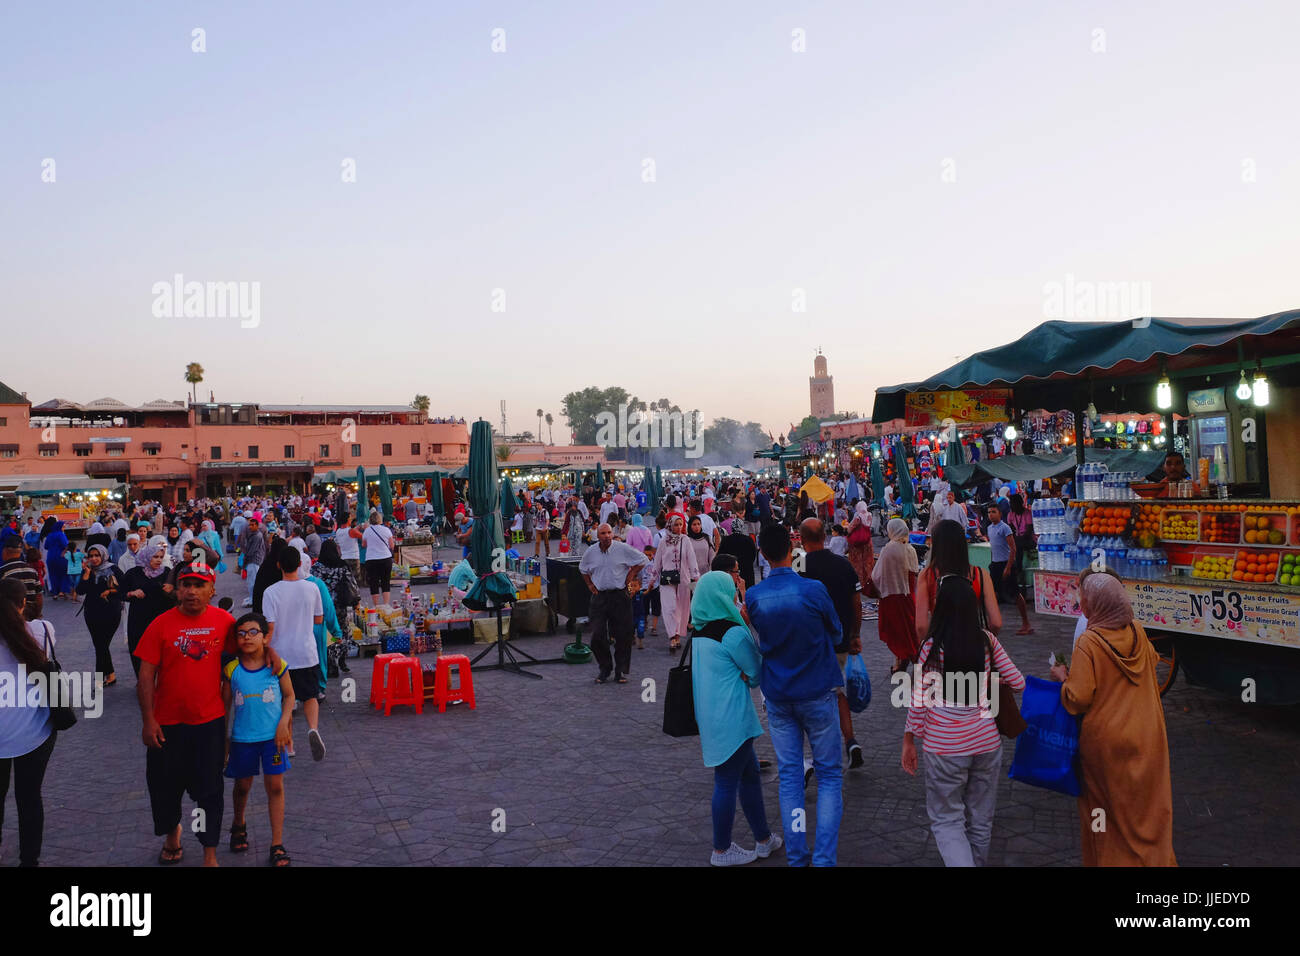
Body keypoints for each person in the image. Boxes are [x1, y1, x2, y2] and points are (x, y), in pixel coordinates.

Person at [1050, 572, 1176, 866]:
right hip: (1148, 735)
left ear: (1094, 606)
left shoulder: (1089, 642)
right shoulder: (1138, 631)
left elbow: (1078, 698)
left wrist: (1062, 678)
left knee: (1104, 812)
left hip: (1106, 745)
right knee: (1146, 809)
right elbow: (1152, 662)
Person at [902, 574, 1024, 867]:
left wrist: (909, 740)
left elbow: (919, 701)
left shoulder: (933, 647)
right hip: (986, 741)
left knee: (947, 820)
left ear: (940, 606)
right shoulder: (987, 641)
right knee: (981, 819)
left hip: (944, 746)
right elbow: (1018, 682)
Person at [745, 524, 844, 867]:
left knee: (790, 778)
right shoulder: (813, 590)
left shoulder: (754, 596)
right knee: (830, 776)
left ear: (762, 553)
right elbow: (836, 631)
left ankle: (798, 854)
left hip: (779, 693)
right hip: (816, 690)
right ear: (793, 548)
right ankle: (824, 857)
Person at [135, 560, 236, 866]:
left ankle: (209, 850)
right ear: (177, 590)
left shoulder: (225, 623)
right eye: (186, 585)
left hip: (209, 723)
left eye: (199, 585)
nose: (192, 591)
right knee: (165, 788)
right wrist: (148, 720)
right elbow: (145, 676)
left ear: (212, 590)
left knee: (209, 792)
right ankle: (172, 835)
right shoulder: (160, 624)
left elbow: (242, 663)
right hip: (167, 724)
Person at [689, 570, 782, 866]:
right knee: (728, 780)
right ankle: (721, 849)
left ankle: (763, 839)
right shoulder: (732, 631)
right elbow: (755, 672)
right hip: (732, 716)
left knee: (750, 774)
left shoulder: (700, 630)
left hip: (712, 714)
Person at [223, 612, 294, 866]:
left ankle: (277, 843)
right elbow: (225, 707)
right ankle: (238, 823)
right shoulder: (232, 670)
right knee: (242, 786)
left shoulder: (277, 665)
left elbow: (289, 696)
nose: (247, 637)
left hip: (272, 740)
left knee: (275, 787)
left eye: (254, 632)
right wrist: (225, 741)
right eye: (241, 633)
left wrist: (284, 723)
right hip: (243, 740)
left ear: (265, 637)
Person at [797, 518, 865, 769]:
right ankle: (851, 741)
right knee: (836, 691)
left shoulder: (798, 564)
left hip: (808, 645)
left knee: (811, 697)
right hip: (839, 643)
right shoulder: (843, 564)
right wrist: (855, 634)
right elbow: (856, 603)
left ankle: (815, 754)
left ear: (802, 540)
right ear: (824, 537)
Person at [0, 579, 58, 867]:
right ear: (25, 602)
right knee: (30, 798)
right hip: (35, 730)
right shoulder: (41, 629)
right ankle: (29, 860)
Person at [262, 546, 326, 761]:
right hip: (306, 652)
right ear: (300, 564)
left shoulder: (270, 592)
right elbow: (319, 619)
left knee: (285, 700)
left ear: (278, 565)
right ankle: (313, 728)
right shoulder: (311, 588)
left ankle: (288, 744)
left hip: (280, 655)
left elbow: (269, 627)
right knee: (310, 696)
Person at [578, 523, 647, 684]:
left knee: (624, 635)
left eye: (609, 532)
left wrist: (631, 574)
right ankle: (605, 667)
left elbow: (642, 559)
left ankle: (620, 670)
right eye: (603, 533)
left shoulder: (622, 548)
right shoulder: (591, 552)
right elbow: (582, 569)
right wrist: (589, 585)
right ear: (598, 536)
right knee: (597, 635)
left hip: (619, 595)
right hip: (600, 597)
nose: (607, 536)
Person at [916, 520, 1002, 639]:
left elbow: (921, 627)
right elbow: (996, 623)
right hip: (973, 645)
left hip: (941, 644)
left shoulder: (927, 576)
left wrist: (930, 646)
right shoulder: (980, 574)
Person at [872, 518, 921, 673]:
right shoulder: (910, 549)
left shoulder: (889, 548)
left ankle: (900, 660)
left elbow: (877, 576)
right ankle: (911, 658)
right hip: (908, 597)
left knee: (896, 632)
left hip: (891, 597)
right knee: (909, 630)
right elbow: (914, 573)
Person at [121, 541, 177, 677]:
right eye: (155, 557)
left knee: (163, 652)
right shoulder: (133, 573)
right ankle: (142, 680)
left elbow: (176, 594)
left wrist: (170, 591)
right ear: (147, 557)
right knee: (138, 651)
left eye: (160, 557)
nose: (158, 560)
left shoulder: (167, 573)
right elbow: (120, 593)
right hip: (139, 619)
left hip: (161, 619)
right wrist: (132, 593)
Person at [75, 544, 124, 687]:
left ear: (103, 555)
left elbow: (124, 587)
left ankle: (99, 678)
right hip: (92, 613)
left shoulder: (113, 569)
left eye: (97, 555)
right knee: (100, 645)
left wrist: (110, 592)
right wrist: (85, 575)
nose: (94, 559)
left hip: (111, 613)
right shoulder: (88, 570)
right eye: (91, 556)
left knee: (102, 645)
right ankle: (111, 675)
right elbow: (80, 591)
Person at [650, 515, 700, 653]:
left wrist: (696, 578)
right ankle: (672, 636)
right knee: (670, 608)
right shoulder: (663, 541)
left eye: (680, 524)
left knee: (681, 609)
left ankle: (677, 635)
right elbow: (657, 561)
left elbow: (692, 559)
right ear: (670, 525)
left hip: (683, 580)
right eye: (676, 525)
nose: (678, 527)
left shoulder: (686, 540)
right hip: (667, 580)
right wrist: (652, 580)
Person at [985, 503, 1033, 635]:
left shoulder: (1005, 528)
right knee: (991, 593)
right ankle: (993, 622)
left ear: (1000, 513)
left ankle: (1026, 623)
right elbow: (993, 547)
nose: (991, 514)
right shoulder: (989, 528)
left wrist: (1008, 567)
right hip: (995, 564)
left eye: (993, 512)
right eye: (989, 512)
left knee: (1015, 593)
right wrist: (992, 562)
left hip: (1006, 564)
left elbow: (1013, 548)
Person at [314, 539, 360, 676]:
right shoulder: (342, 566)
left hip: (323, 607)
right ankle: (342, 659)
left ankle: (331, 660)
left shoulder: (317, 567)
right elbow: (352, 585)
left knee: (328, 634)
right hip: (340, 605)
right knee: (343, 632)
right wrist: (356, 601)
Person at [0, 530, 41, 618]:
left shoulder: (3, 571)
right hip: (31, 615)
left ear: (4, 552)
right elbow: (39, 596)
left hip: (11, 617)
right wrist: (38, 614)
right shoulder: (32, 570)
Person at [361, 512, 395, 607]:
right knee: (385, 582)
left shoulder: (367, 531)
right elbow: (392, 546)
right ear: (380, 519)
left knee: (374, 582)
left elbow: (363, 545)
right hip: (385, 558)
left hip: (371, 559)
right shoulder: (386, 530)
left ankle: (376, 606)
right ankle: (386, 605)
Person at [718, 518, 758, 590]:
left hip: (730, 571)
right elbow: (753, 555)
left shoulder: (726, 540)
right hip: (747, 571)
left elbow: (721, 556)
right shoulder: (748, 540)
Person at [236, 516, 267, 608]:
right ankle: (252, 597)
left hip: (254, 560)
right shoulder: (254, 534)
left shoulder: (257, 536)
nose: (250, 527)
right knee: (251, 581)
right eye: (250, 525)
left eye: (253, 525)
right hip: (253, 559)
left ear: (257, 525)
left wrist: (245, 558)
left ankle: (253, 599)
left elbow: (252, 550)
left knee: (252, 581)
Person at [845, 500, 875, 591]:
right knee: (867, 563)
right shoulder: (869, 515)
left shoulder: (858, 517)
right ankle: (868, 583)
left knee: (857, 564)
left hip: (857, 544)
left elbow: (850, 529)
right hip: (867, 542)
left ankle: (859, 583)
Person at [632, 545, 658, 649]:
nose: (647, 557)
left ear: (653, 554)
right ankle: (635, 634)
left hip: (655, 587)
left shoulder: (657, 562)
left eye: (650, 555)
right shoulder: (641, 563)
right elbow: (637, 576)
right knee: (645, 607)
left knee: (656, 608)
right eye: (645, 555)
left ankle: (654, 627)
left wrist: (653, 586)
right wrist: (636, 586)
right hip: (642, 588)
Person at [686, 515, 716, 585]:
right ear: (690, 526)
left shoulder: (706, 538)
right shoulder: (687, 539)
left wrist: (711, 570)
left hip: (706, 573)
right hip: (691, 575)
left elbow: (712, 556)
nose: (697, 527)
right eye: (694, 524)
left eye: (698, 524)